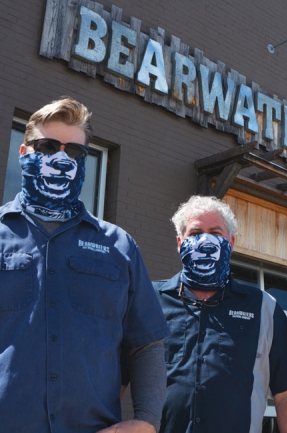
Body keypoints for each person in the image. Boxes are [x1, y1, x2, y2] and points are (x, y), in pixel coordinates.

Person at [0, 97, 170, 433]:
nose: (62, 159)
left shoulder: (119, 246)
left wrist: (147, 421)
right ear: (24, 153)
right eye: (47, 146)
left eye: (74, 151)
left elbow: (146, 344)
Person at [155, 194, 287, 433]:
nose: (205, 241)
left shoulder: (263, 307)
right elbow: (117, 375)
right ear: (179, 242)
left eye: (216, 234)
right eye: (195, 234)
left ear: (231, 242)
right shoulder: (149, 301)